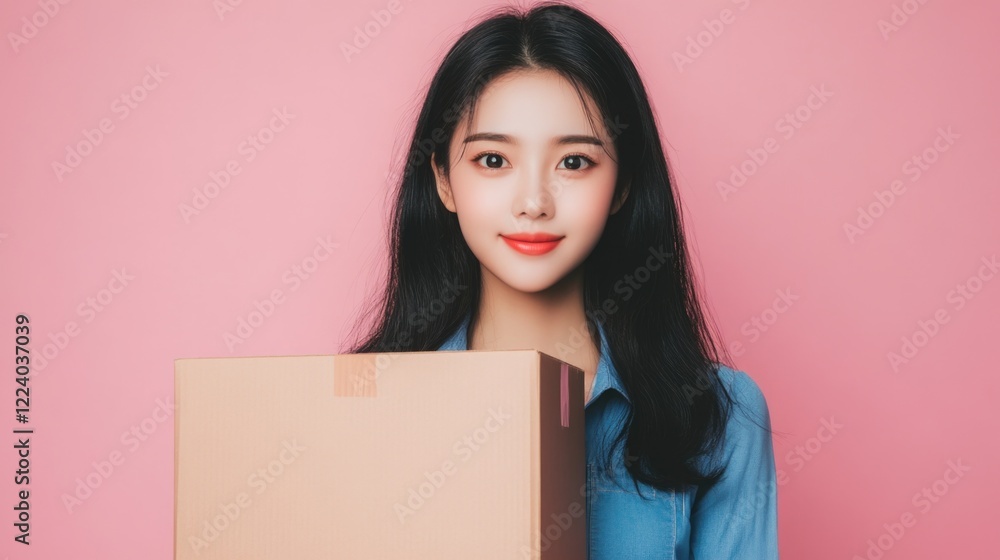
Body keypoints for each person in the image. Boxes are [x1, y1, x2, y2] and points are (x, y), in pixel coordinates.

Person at [346, 2, 779, 557]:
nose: (534, 202)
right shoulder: (365, 406)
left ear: (622, 185)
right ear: (444, 181)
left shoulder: (720, 415)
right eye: (493, 160)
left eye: (574, 162)